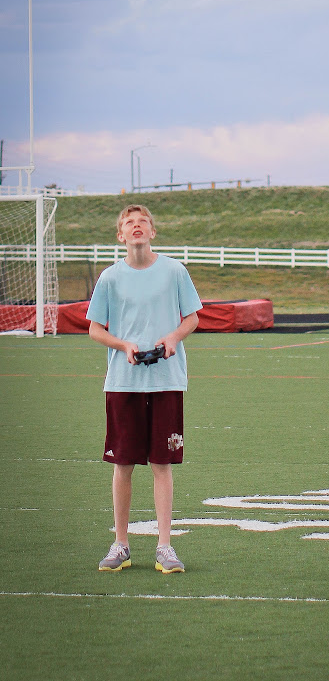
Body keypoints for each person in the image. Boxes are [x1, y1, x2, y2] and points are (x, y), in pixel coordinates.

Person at [87, 204, 202, 573]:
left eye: (142, 222)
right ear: (120, 235)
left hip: (167, 381)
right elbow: (94, 329)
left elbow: (192, 318)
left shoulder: (174, 271)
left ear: (152, 232)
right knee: (122, 463)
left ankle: (164, 546)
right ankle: (120, 544)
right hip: (123, 382)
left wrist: (173, 338)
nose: (136, 226)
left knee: (161, 463)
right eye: (129, 223)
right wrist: (123, 345)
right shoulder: (110, 278)